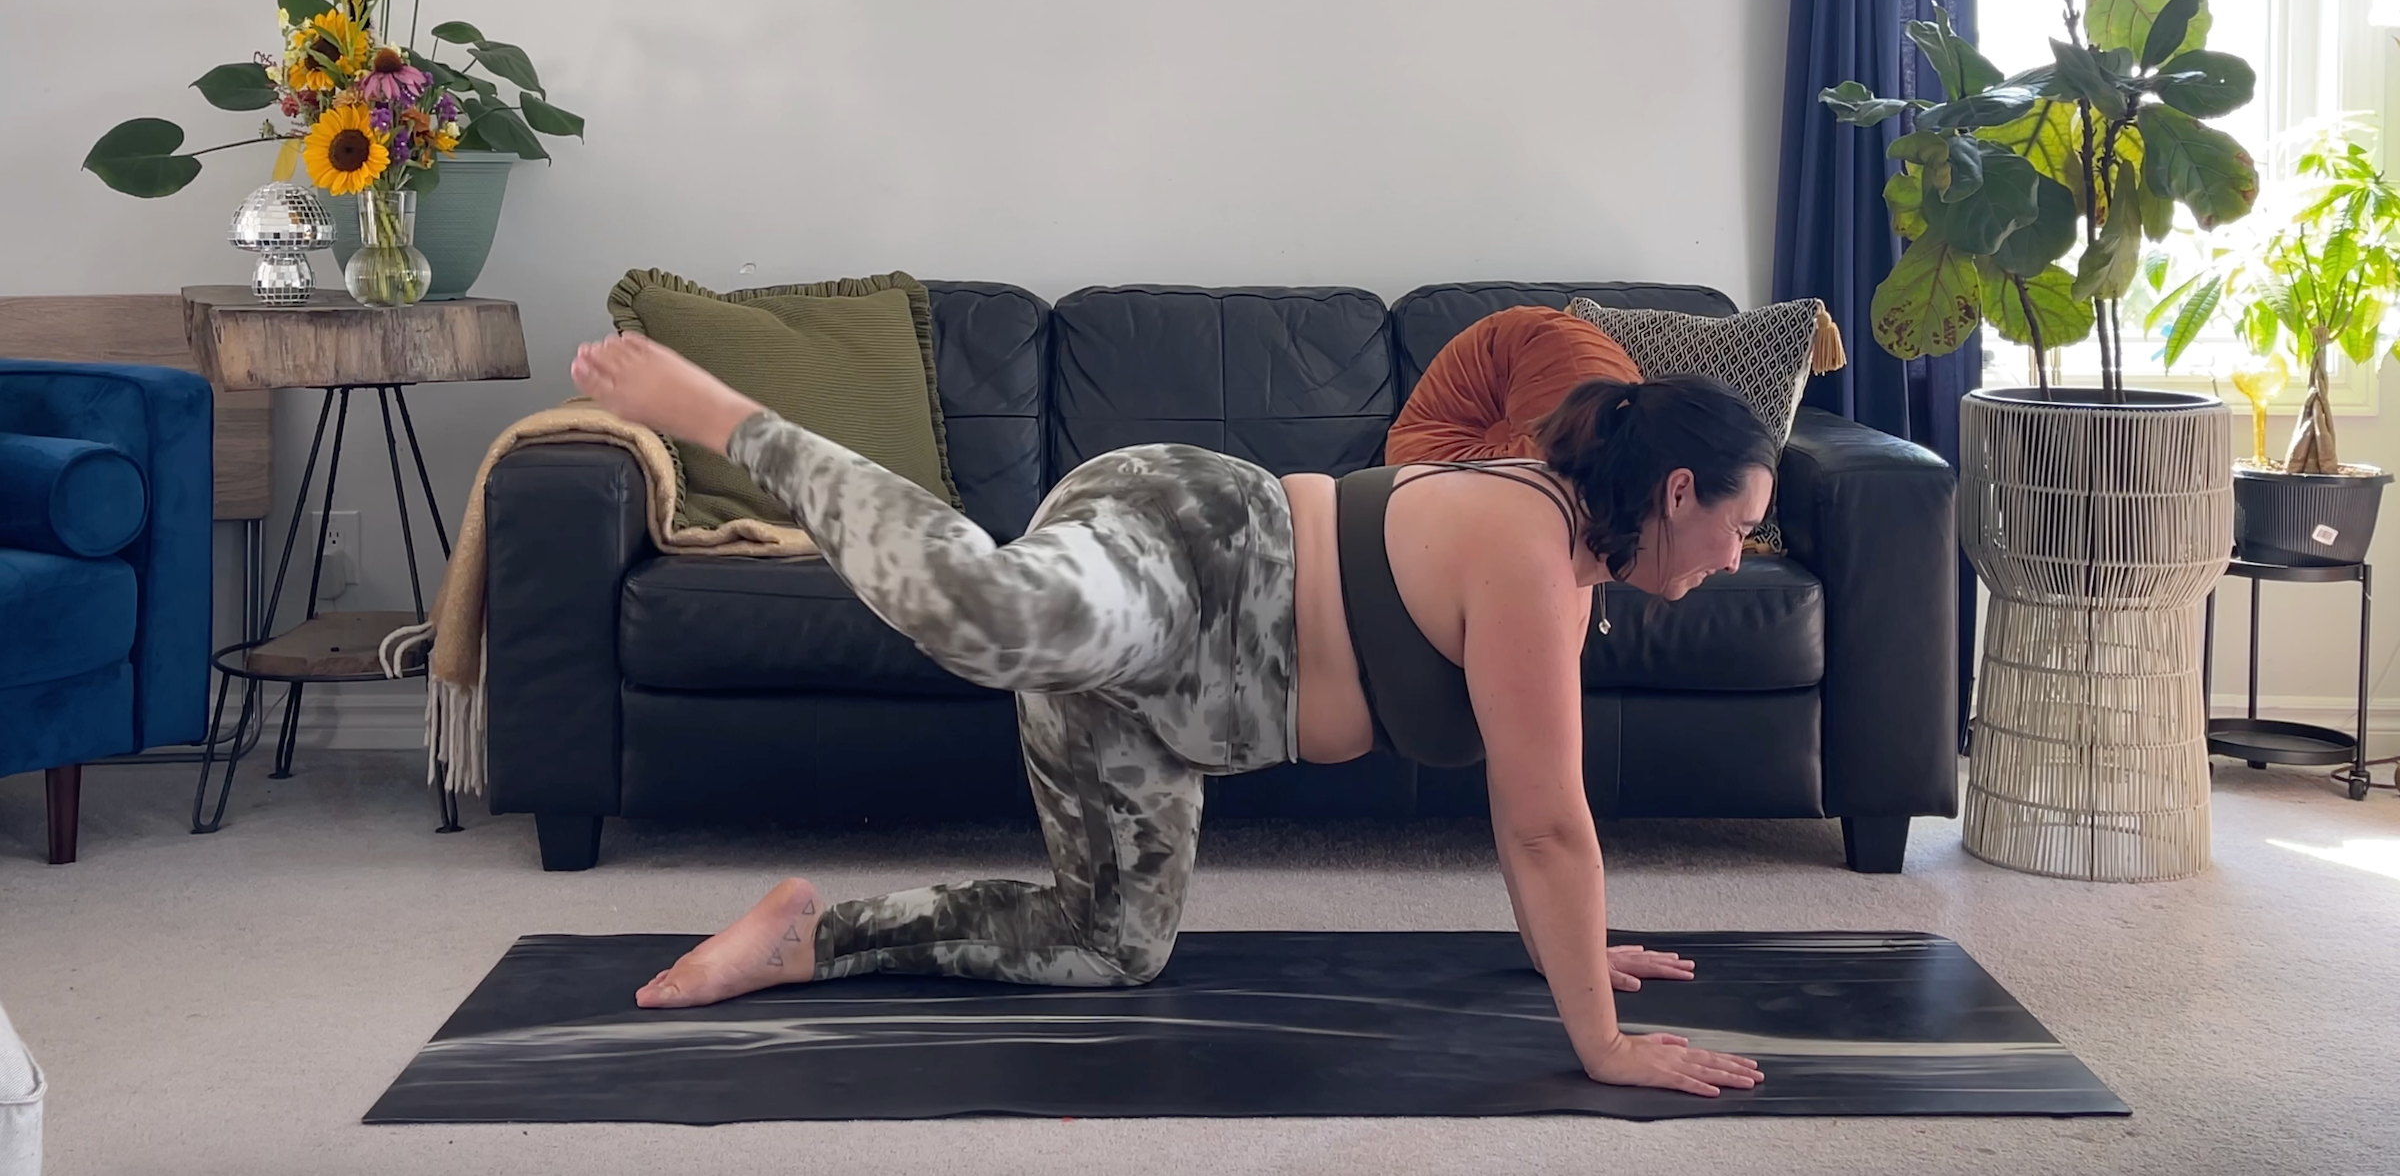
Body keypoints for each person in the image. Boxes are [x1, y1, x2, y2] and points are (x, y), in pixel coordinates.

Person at [568, 330, 1776, 1099]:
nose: (1736, 557)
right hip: (1192, 558)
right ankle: (730, 419)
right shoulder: (1534, 548)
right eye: (1738, 526)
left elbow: (1538, 833)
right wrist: (1602, 1046)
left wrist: (1574, 950)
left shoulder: (1570, 568)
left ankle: (801, 939)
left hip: (1160, 715)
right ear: (1678, 491)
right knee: (992, 612)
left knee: (1110, 946)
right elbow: (1544, 828)